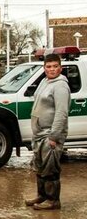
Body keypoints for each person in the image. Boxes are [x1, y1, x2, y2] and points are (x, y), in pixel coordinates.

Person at [26, 53, 70, 210]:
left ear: (60, 68)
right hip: (39, 134)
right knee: (41, 166)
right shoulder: (45, 81)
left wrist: (54, 136)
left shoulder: (61, 86)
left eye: (55, 66)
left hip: (50, 134)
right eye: (48, 66)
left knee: (50, 168)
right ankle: (42, 195)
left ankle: (53, 200)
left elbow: (61, 113)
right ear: (44, 68)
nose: (52, 69)